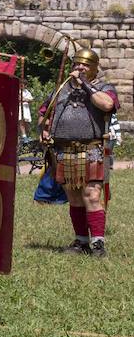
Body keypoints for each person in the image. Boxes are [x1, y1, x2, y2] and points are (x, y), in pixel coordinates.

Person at [42, 48, 118, 258]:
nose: (80, 67)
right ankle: (81, 241)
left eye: (85, 65)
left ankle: (98, 244)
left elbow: (107, 105)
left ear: (94, 68)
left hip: (92, 149)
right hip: (64, 150)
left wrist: (84, 84)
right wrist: (46, 129)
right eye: (77, 64)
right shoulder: (61, 90)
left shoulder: (104, 88)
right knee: (74, 197)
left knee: (92, 195)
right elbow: (44, 114)